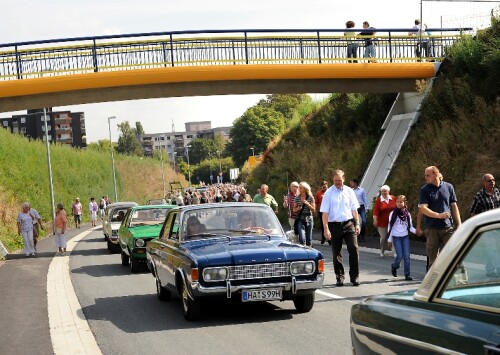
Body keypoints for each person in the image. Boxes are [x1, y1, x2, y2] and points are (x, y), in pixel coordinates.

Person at [320, 170, 361, 286]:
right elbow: (325, 213)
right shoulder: (328, 193)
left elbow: (354, 210)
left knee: (354, 249)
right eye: (335, 180)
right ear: (333, 180)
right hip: (334, 225)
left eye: (339, 180)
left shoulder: (349, 191)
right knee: (336, 252)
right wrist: (326, 228)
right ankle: (339, 276)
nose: (337, 182)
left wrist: (357, 224)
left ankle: (354, 277)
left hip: (349, 224)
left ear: (344, 179)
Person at [419, 166, 462, 268]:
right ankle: (434, 283)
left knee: (455, 255)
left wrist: (459, 224)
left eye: (428, 175)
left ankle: (461, 282)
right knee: (433, 260)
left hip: (448, 227)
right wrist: (437, 215)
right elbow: (423, 208)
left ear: (436, 174)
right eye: (425, 175)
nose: (426, 177)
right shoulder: (424, 190)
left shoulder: (448, 187)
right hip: (432, 228)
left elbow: (454, 206)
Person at [469, 173, 500, 276]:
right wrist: (478, 227)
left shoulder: (497, 192)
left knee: (496, 248)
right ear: (484, 183)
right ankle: (499, 269)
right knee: (493, 249)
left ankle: (490, 270)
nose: (492, 182)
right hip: (487, 228)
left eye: (493, 180)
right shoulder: (479, 196)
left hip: (497, 226)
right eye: (489, 180)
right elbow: (473, 212)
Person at [387, 195, 416, 281]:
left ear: (405, 203)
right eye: (398, 202)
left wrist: (417, 232)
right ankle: (394, 266)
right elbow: (390, 227)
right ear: (395, 203)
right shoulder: (393, 214)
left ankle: (407, 274)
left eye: (401, 202)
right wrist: (389, 240)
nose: (399, 203)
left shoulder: (407, 214)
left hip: (405, 237)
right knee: (399, 256)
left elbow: (410, 227)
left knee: (407, 256)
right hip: (396, 237)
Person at [373, 185, 396, 257]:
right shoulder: (378, 200)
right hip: (382, 222)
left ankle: (394, 251)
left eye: (385, 191)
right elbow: (375, 212)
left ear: (388, 191)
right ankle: (382, 251)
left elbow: (397, 208)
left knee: (393, 236)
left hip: (392, 222)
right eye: (382, 191)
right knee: (383, 238)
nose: (384, 192)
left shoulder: (393, 198)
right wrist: (375, 220)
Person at [292, 182, 316, 247]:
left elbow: (314, 210)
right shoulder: (297, 198)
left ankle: (309, 252)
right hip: (300, 219)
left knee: (308, 239)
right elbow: (293, 210)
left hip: (309, 218)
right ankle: (303, 251)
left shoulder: (310, 197)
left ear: (305, 189)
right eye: (299, 188)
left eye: (301, 188)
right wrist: (298, 208)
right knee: (302, 238)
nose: (299, 189)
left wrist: (308, 204)